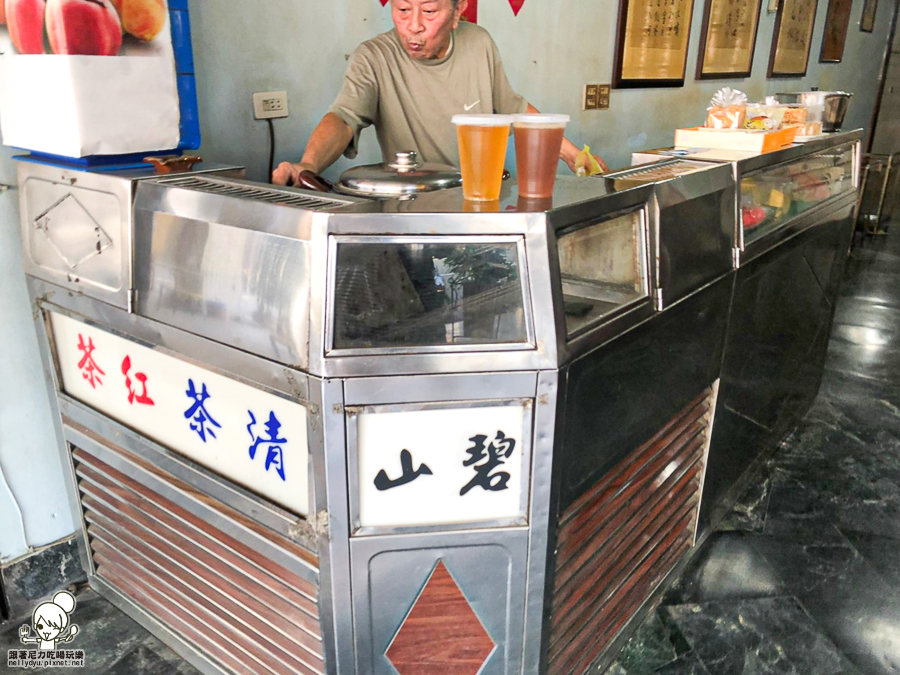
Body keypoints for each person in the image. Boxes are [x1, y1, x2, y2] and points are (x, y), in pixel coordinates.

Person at [272, 0, 607, 189]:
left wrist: (573, 155)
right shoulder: (373, 57)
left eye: (429, 11)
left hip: (481, 202)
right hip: (415, 208)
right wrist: (308, 163)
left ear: (458, 11)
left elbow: (513, 108)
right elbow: (343, 118)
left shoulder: (479, 43)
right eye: (403, 10)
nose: (413, 26)